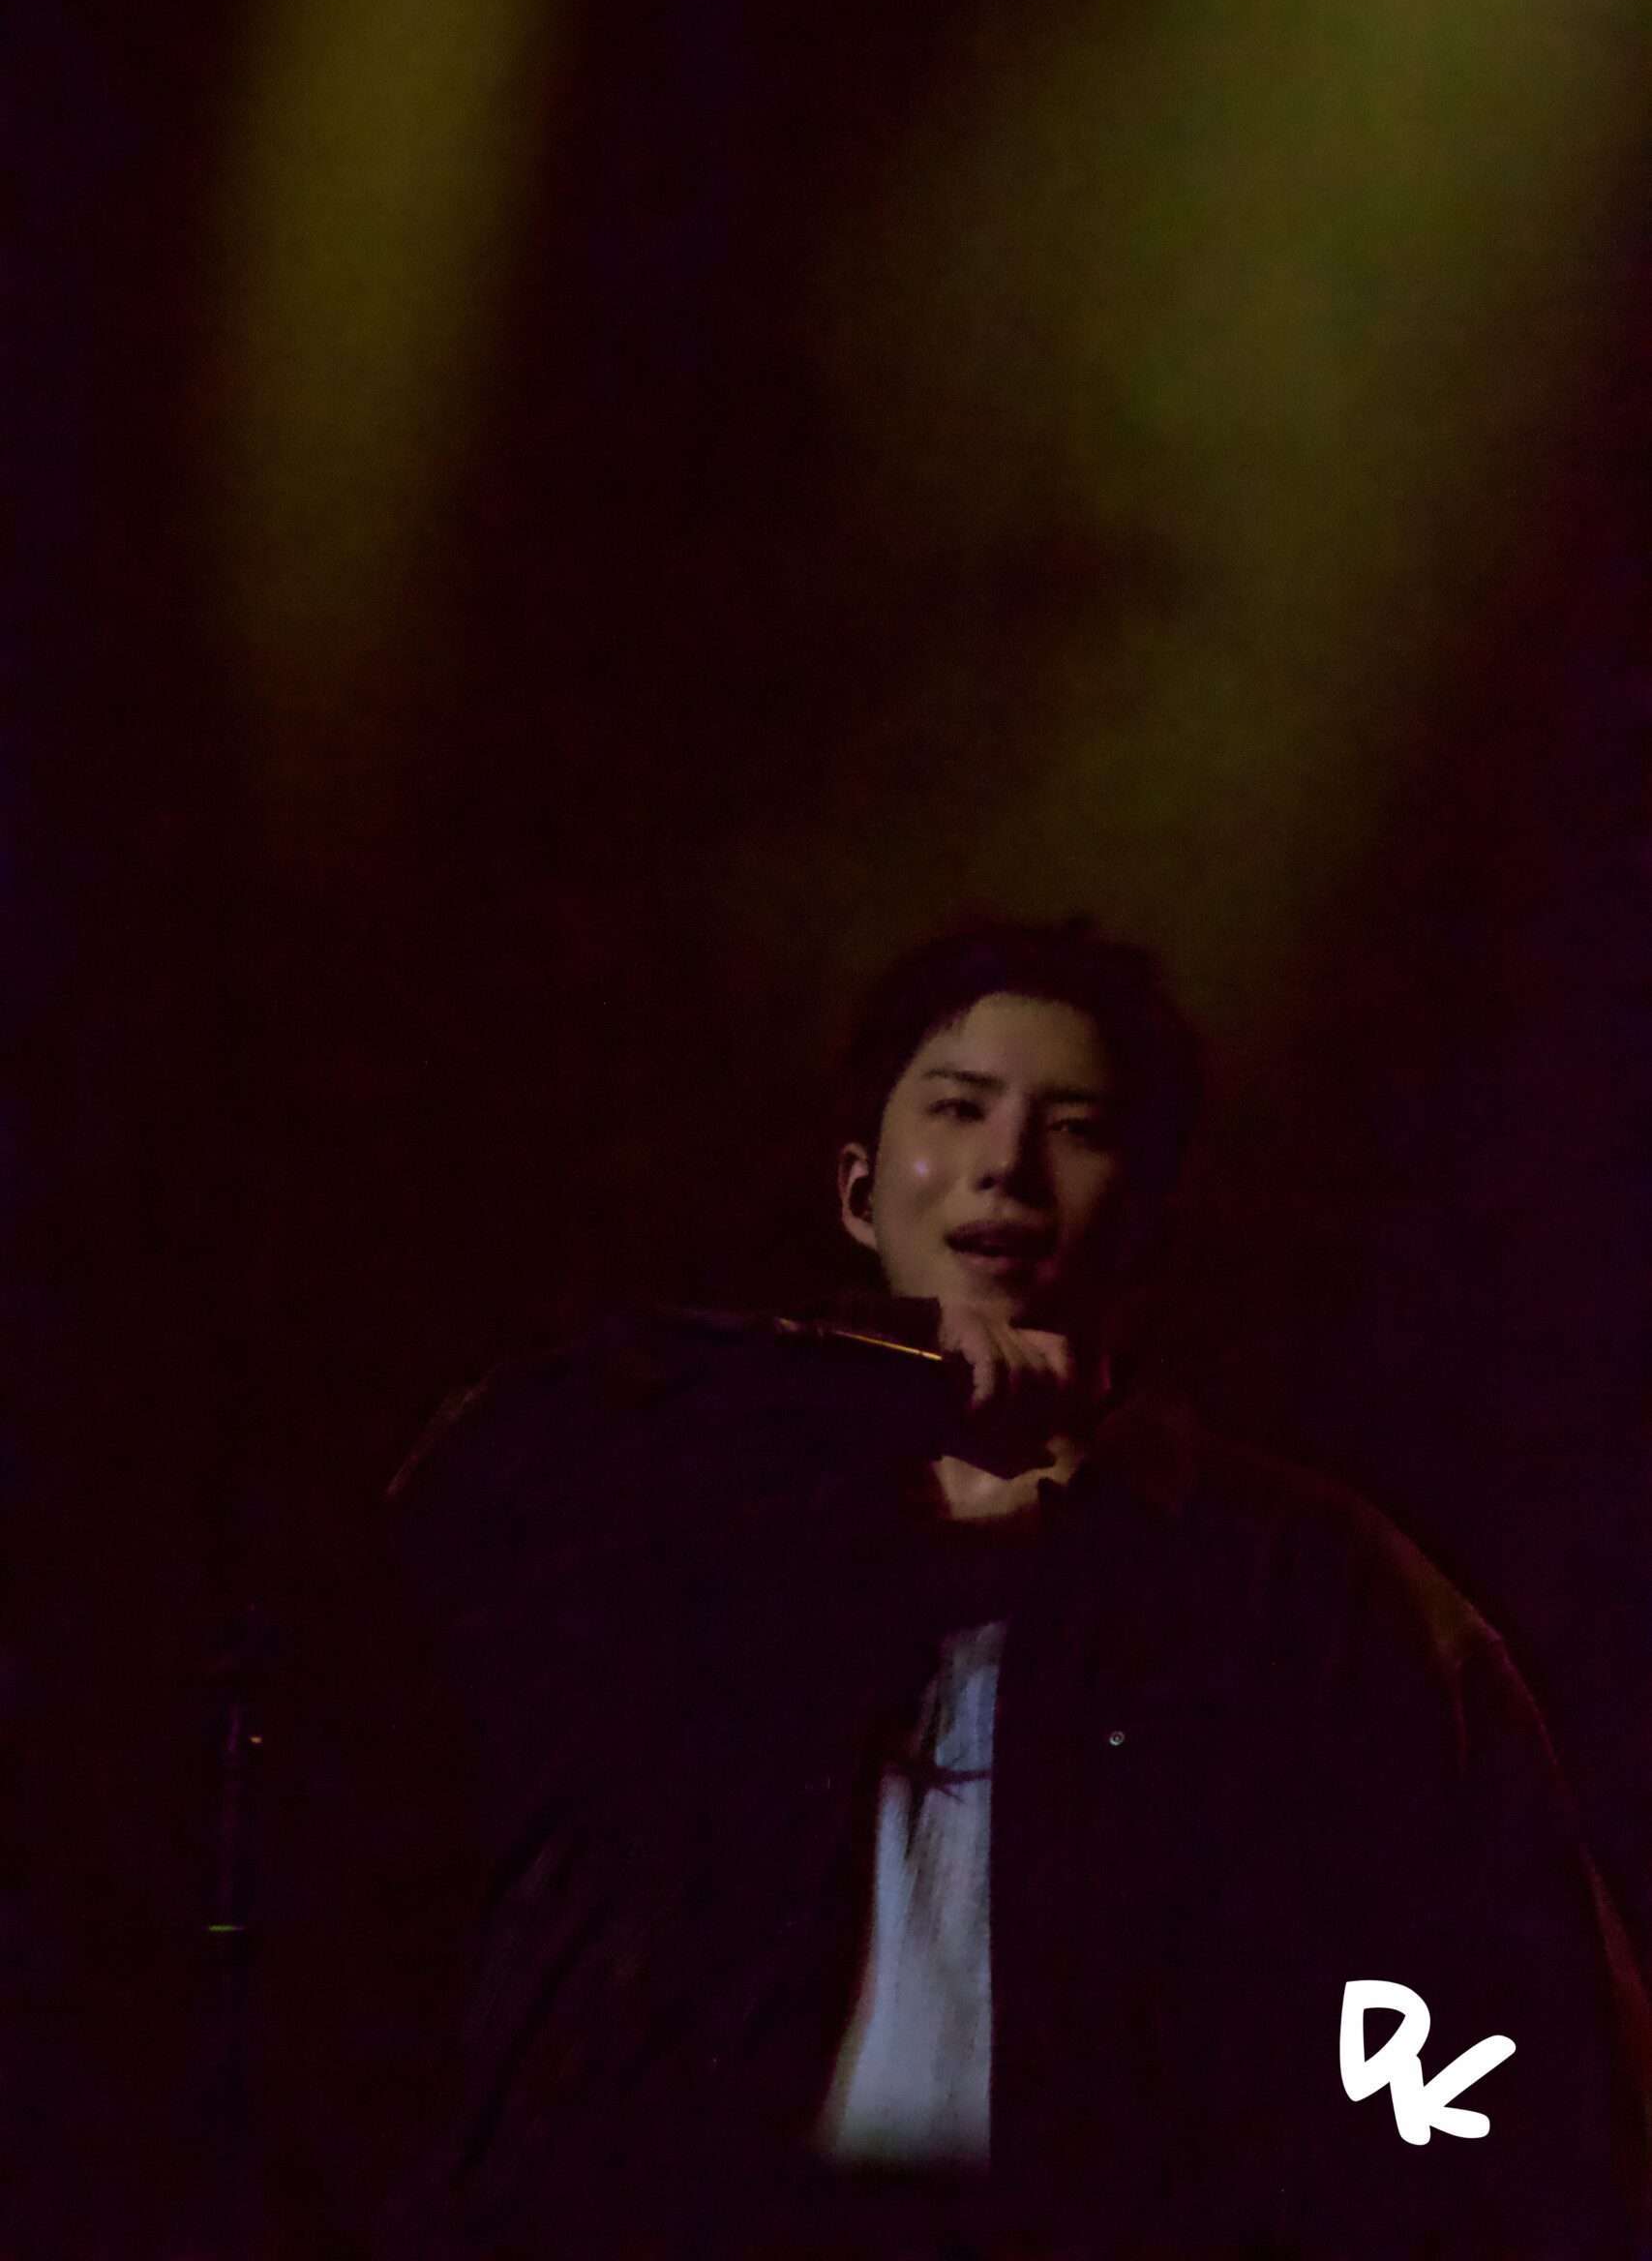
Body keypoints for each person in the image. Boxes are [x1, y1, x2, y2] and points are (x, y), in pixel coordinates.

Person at [374, 918, 1652, 2260]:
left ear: (1147, 1214)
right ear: (860, 1191)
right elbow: (450, 1525)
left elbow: (1515, 2024)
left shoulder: (1310, 1589)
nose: (1007, 1164)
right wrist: (860, 1378)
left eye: (1075, 1128)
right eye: (959, 1108)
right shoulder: (698, 1534)